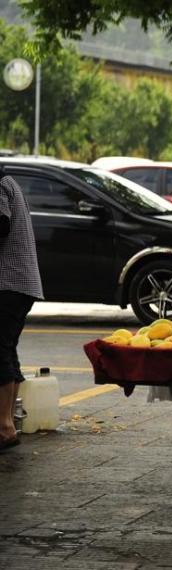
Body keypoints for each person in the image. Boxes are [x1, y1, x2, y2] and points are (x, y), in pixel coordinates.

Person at [0, 173, 43, 451]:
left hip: (8, 282)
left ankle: (4, 426)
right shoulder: (9, 182)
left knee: (0, 350)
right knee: (7, 348)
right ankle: (9, 421)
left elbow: (1, 224)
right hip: (21, 283)